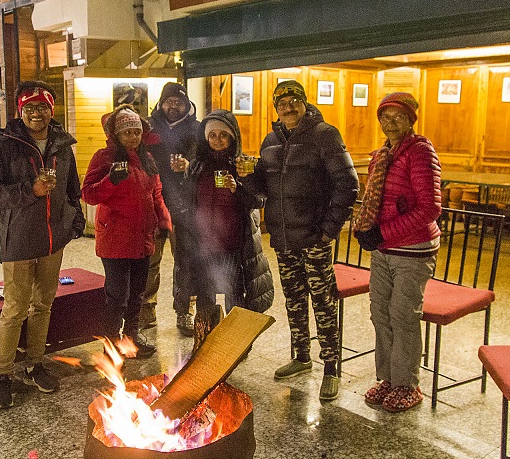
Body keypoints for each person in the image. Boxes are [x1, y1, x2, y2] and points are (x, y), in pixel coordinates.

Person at [238, 80, 358, 401]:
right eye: (281, 102)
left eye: (293, 100)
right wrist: (246, 175)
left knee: (322, 302)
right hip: (283, 238)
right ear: (275, 107)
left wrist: (330, 229)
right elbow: (263, 189)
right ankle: (302, 356)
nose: (287, 106)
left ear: (304, 102)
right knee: (293, 300)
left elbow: (348, 183)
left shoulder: (325, 135)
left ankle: (331, 366)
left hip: (314, 238)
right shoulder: (270, 141)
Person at [0, 81, 86, 409]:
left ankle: (35, 364)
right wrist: (30, 190)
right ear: (20, 111)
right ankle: (3, 374)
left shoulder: (62, 145)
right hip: (18, 241)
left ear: (52, 110)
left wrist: (74, 218)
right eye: (30, 108)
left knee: (43, 305)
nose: (37, 114)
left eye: (43, 107)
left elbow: (71, 188)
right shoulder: (0, 147)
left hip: (53, 240)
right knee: (14, 309)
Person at [355, 92, 441, 413]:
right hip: (383, 248)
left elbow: (430, 207)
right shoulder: (381, 155)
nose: (390, 123)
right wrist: (366, 228)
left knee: (403, 314)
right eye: (385, 117)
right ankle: (389, 378)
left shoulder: (419, 152)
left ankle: (407, 384)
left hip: (413, 249)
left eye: (398, 117)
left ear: (410, 121)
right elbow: (375, 202)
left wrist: (383, 232)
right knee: (380, 312)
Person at [81, 105, 172, 359]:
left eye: (137, 131)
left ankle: (130, 340)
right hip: (115, 239)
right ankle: (110, 345)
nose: (133, 137)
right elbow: (88, 194)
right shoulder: (104, 157)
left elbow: (156, 194)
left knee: (137, 295)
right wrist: (111, 180)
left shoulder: (147, 159)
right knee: (117, 297)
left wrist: (164, 221)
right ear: (116, 135)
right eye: (127, 132)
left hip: (143, 238)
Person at [185, 109, 274, 351]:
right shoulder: (196, 166)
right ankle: (204, 342)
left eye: (223, 135)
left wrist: (239, 189)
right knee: (205, 296)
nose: (217, 140)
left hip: (232, 243)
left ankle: (237, 345)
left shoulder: (243, 165)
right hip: (203, 244)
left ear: (233, 137)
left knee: (235, 294)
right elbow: (188, 201)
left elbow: (258, 200)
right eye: (212, 135)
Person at [141, 82, 200, 336]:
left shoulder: (198, 130)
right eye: (168, 101)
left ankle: (185, 310)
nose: (172, 106)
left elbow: (205, 162)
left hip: (185, 205)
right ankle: (146, 311)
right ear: (160, 103)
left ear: (186, 104)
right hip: (153, 205)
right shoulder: (148, 128)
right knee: (149, 261)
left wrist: (189, 165)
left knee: (185, 260)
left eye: (178, 101)